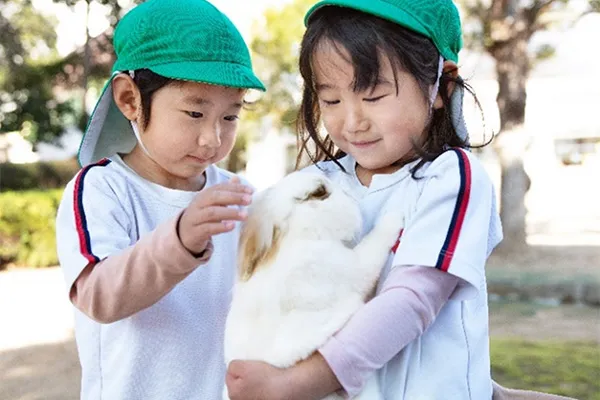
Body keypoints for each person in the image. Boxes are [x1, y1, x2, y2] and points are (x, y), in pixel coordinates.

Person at [225, 0, 503, 399]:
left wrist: (297, 384)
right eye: (332, 101)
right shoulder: (313, 184)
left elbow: (412, 301)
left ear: (441, 86)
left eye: (373, 95)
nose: (352, 121)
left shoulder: (449, 178)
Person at [55, 0, 264, 398]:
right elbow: (98, 295)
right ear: (130, 99)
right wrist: (180, 240)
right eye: (194, 113)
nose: (213, 138)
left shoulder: (238, 195)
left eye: (230, 116)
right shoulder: (101, 190)